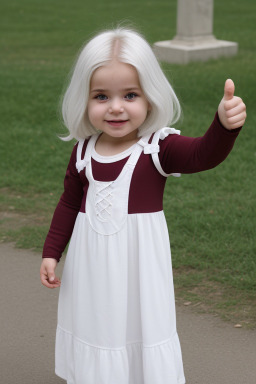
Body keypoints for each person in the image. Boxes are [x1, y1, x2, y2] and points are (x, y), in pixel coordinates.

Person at [40, 27, 246, 384]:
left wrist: (223, 126)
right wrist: (51, 252)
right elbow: (70, 202)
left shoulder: (157, 148)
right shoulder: (83, 152)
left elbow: (202, 154)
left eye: (130, 94)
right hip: (90, 267)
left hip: (139, 268)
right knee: (96, 322)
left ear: (150, 97)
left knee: (138, 323)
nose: (116, 107)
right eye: (101, 96)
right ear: (84, 100)